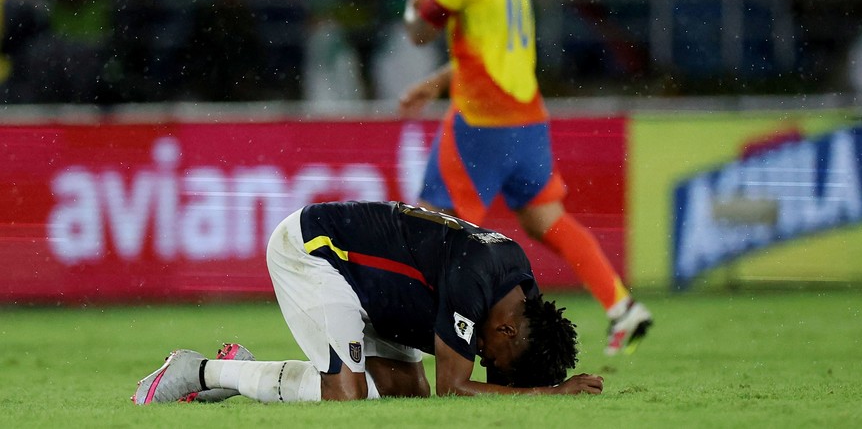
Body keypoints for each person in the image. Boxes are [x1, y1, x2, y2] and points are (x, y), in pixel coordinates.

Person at [399, 0, 652, 355]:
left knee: (431, 230)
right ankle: (622, 305)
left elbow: (420, 27)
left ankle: (443, 340)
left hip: (482, 121)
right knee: (546, 220)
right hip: (527, 119)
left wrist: (413, 1)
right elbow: (496, 44)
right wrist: (439, 79)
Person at [132, 201, 604, 404]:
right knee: (345, 393)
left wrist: (537, 386)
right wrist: (549, 394)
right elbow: (455, 389)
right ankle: (196, 372)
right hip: (317, 252)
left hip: (376, 294)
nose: (489, 364)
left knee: (406, 395)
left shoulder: (522, 300)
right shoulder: (475, 279)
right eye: (497, 360)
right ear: (505, 332)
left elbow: (491, 376)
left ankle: (239, 373)